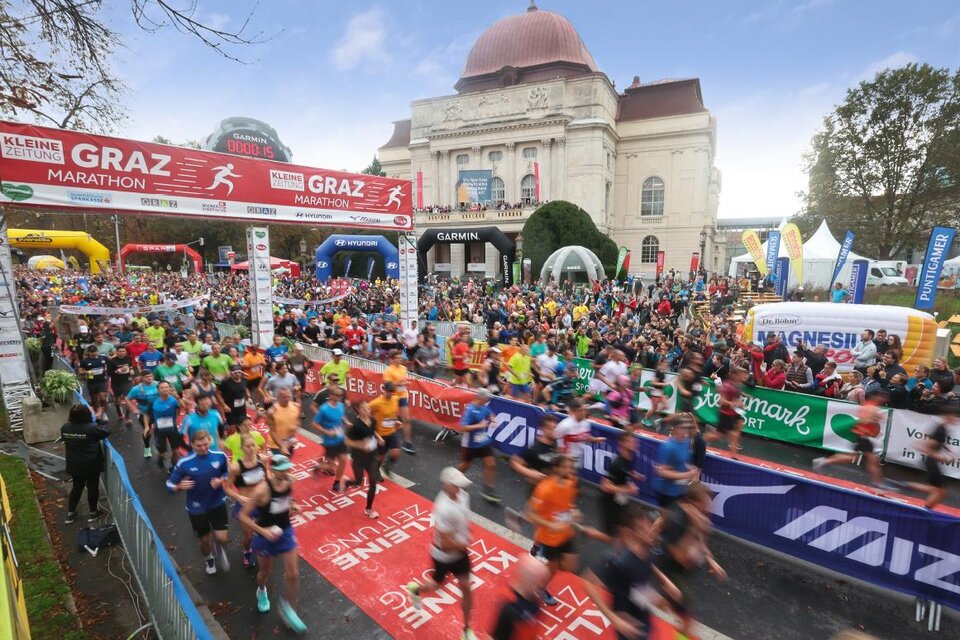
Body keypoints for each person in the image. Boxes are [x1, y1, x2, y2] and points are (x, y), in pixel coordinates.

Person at [583, 505, 677, 640]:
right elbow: (588, 582)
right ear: (632, 533)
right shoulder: (618, 560)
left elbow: (640, 584)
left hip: (642, 614)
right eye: (642, 529)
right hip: (628, 623)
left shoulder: (647, 549)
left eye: (648, 526)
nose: (650, 532)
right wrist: (615, 619)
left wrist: (663, 579)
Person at [406, 467, 477, 640]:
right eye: (456, 485)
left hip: (460, 554)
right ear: (446, 485)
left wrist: (465, 534)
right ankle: (416, 590)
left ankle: (466, 630)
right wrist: (463, 544)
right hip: (443, 556)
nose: (460, 488)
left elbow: (463, 520)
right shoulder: (443, 509)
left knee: (466, 589)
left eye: (460, 484)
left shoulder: (464, 496)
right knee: (435, 586)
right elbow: (445, 544)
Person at [239, 454, 307, 633]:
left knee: (293, 574)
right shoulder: (262, 490)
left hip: (285, 531)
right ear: (273, 469)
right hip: (265, 536)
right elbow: (243, 515)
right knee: (265, 572)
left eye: (287, 468)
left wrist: (292, 506)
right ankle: (261, 590)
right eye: (281, 469)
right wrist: (263, 532)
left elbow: (285, 499)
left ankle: (288, 607)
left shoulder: (288, 481)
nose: (285, 472)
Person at [655, 482, 726, 636]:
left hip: (683, 572)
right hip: (671, 574)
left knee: (668, 604)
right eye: (705, 504)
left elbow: (700, 542)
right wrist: (696, 527)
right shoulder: (678, 520)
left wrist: (712, 561)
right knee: (688, 620)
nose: (709, 508)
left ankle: (650, 598)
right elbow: (682, 558)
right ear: (693, 502)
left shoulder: (697, 516)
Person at [166, 429, 231, 575]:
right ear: (192, 445)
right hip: (196, 508)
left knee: (222, 538)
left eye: (206, 444)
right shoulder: (184, 463)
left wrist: (221, 480)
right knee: (205, 540)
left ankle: (219, 548)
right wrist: (178, 486)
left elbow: (227, 472)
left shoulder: (220, 456)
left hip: (217, 503)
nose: (203, 448)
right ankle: (209, 558)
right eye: (199, 446)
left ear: (210, 442)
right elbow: (169, 485)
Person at [525, 454, 580, 607]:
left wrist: (574, 510)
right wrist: (550, 525)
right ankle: (540, 588)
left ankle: (540, 563)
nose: (570, 470)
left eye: (571, 467)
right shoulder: (544, 489)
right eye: (566, 467)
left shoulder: (572, 481)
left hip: (566, 532)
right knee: (553, 568)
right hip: (549, 537)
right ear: (556, 468)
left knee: (570, 566)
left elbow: (569, 502)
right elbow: (530, 514)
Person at [813, 389, 889, 487]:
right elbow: (863, 421)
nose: (884, 399)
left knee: (857, 458)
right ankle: (878, 483)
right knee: (870, 460)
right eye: (882, 397)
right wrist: (873, 419)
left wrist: (875, 419)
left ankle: (824, 461)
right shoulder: (871, 408)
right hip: (863, 436)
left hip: (862, 436)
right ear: (876, 397)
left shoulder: (870, 406)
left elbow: (863, 419)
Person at [61, 403, 110, 524]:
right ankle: (93, 512)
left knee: (77, 487)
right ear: (87, 415)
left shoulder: (65, 428)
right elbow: (106, 431)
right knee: (92, 486)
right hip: (91, 463)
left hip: (74, 463)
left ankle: (71, 513)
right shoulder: (91, 428)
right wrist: (99, 421)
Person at [225, 432, 267, 569]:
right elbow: (227, 488)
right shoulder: (236, 467)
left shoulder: (262, 460)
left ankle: (262, 549)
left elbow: (267, 478)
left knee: (263, 531)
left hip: (261, 503)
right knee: (248, 537)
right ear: (242, 448)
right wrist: (237, 497)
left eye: (253, 445)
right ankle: (247, 551)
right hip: (246, 506)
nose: (251, 448)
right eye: (247, 446)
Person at [902, 413, 957, 509]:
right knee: (939, 490)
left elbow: (936, 441)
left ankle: (927, 508)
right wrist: (940, 457)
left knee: (941, 491)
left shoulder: (942, 428)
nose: (957, 420)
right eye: (956, 417)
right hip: (931, 462)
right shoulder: (941, 430)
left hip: (932, 462)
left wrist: (948, 450)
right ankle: (903, 485)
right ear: (950, 417)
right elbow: (924, 447)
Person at [488, 554, 550, 640]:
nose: (539, 585)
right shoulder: (510, 607)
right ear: (526, 579)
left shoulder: (534, 600)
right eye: (536, 581)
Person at [458, 389, 500, 503]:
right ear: (480, 398)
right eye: (486, 399)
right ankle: (454, 481)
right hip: (470, 443)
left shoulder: (483, 406)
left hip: (483, 441)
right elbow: (462, 428)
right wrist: (479, 426)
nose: (487, 401)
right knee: (465, 465)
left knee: (491, 464)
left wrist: (493, 420)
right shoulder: (470, 410)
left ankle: (488, 489)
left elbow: (489, 413)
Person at [344, 400, 384, 519]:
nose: (367, 411)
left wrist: (378, 438)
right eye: (364, 409)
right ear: (359, 410)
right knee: (358, 482)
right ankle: (348, 483)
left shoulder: (372, 420)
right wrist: (360, 446)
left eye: (368, 408)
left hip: (371, 456)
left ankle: (369, 508)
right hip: (358, 458)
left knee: (373, 483)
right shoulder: (356, 425)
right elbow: (347, 441)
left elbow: (373, 431)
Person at [599, 431, 643, 536]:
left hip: (621, 501)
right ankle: (585, 531)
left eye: (635, 441)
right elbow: (605, 486)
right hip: (610, 504)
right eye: (632, 442)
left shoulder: (629, 458)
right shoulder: (617, 463)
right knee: (611, 537)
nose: (636, 444)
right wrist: (628, 490)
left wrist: (633, 475)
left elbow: (625, 472)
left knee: (627, 529)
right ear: (623, 444)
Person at [653, 415, 698, 512]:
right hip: (666, 492)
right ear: (675, 428)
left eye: (687, 427)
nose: (685, 430)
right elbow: (662, 472)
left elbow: (682, 461)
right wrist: (686, 475)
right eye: (682, 428)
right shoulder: (668, 447)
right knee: (667, 518)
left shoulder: (686, 442)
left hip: (679, 490)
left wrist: (691, 468)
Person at [704, 367, 747, 457]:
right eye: (741, 375)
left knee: (738, 428)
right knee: (718, 435)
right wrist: (733, 404)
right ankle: (699, 440)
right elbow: (722, 401)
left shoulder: (737, 385)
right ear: (734, 375)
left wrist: (740, 403)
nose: (743, 377)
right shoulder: (728, 386)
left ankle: (733, 456)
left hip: (733, 413)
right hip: (726, 414)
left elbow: (735, 397)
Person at [312, 386, 349, 491]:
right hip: (330, 441)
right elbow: (314, 424)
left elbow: (341, 417)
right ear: (331, 395)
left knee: (343, 460)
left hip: (340, 438)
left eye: (341, 395)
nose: (340, 397)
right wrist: (327, 432)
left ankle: (336, 482)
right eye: (338, 395)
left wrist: (346, 422)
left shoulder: (341, 405)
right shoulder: (324, 409)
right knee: (330, 466)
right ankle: (317, 467)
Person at [384, 350, 416, 455]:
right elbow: (387, 386)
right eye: (397, 358)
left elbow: (403, 382)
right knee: (389, 419)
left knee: (406, 419)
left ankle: (407, 442)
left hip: (402, 396)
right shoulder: (389, 370)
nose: (400, 359)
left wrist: (406, 383)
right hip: (392, 397)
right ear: (392, 359)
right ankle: (385, 439)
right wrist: (398, 383)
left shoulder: (404, 368)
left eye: (400, 357)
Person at [370, 381, 403, 479]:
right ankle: (376, 471)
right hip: (380, 434)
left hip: (392, 431)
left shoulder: (395, 399)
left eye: (392, 391)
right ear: (384, 390)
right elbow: (363, 413)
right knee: (381, 456)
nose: (391, 393)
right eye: (389, 391)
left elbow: (392, 414)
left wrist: (396, 421)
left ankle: (386, 466)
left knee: (396, 453)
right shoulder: (376, 403)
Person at [150, 380, 184, 472]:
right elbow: (147, 413)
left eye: (166, 387)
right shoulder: (154, 401)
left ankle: (173, 467)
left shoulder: (173, 400)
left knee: (176, 451)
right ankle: (161, 458)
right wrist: (147, 426)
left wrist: (177, 397)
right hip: (159, 430)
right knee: (163, 453)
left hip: (172, 429)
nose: (165, 389)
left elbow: (184, 406)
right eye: (162, 388)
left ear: (169, 389)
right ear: (158, 390)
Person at [127, 369, 160, 459]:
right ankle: (147, 448)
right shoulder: (136, 389)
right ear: (142, 378)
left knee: (160, 429)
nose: (149, 378)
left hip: (158, 412)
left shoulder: (158, 384)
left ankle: (160, 446)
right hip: (144, 413)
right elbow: (127, 399)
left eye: (150, 376)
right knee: (147, 430)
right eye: (146, 377)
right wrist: (133, 409)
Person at [264, 387, 301, 458]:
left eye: (288, 396)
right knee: (280, 463)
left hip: (290, 441)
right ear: (278, 398)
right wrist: (282, 446)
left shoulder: (296, 406)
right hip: (276, 444)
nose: (286, 399)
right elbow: (272, 432)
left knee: (288, 460)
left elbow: (298, 420)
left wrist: (296, 428)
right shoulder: (272, 412)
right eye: (284, 397)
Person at [78, 345, 110, 423]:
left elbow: (110, 365)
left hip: (102, 381)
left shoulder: (103, 358)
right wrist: (87, 372)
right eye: (91, 352)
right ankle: (96, 413)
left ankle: (102, 412)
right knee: (94, 400)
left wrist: (106, 369)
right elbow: (80, 372)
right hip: (92, 382)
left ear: (97, 351)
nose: (93, 353)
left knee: (103, 397)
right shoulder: (85, 361)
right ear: (88, 353)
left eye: (94, 351)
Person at [107, 345, 135, 427]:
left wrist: (131, 370)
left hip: (127, 381)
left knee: (128, 398)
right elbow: (109, 373)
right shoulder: (112, 361)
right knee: (117, 399)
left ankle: (127, 416)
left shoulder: (128, 358)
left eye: (123, 351)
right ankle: (118, 411)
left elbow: (130, 366)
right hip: (116, 382)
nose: (122, 353)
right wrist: (118, 371)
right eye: (120, 351)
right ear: (117, 352)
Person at [217, 365, 249, 435]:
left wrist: (249, 397)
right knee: (232, 429)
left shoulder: (244, 380)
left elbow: (245, 388)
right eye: (235, 373)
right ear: (231, 373)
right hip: (230, 408)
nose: (237, 374)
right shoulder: (225, 382)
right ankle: (228, 440)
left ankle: (242, 440)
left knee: (243, 426)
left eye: (239, 372)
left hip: (242, 408)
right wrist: (224, 405)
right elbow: (218, 393)